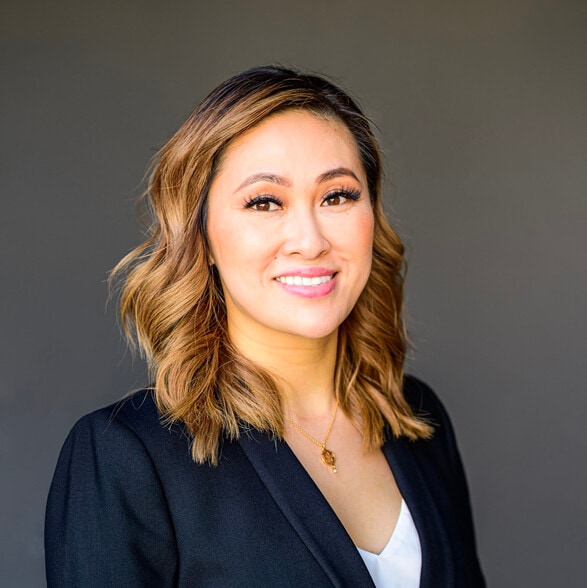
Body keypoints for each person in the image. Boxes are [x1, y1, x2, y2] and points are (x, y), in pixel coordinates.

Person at [45, 65, 485, 587]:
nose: (310, 241)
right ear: (202, 236)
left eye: (337, 196)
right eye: (264, 202)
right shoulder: (128, 456)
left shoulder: (418, 420)